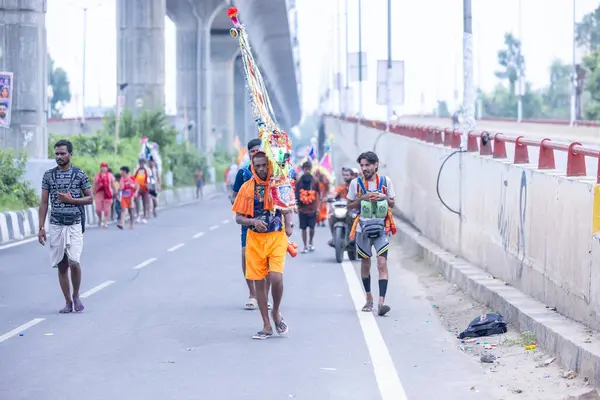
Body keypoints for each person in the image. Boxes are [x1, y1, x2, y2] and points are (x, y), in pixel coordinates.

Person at [232, 151, 293, 339]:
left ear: (269, 165)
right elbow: (238, 218)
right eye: (257, 165)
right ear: (252, 166)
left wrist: (289, 222)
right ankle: (266, 325)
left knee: (276, 278)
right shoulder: (246, 188)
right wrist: (253, 222)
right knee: (259, 282)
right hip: (255, 240)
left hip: (276, 237)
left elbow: (286, 206)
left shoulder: (279, 183)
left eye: (264, 165)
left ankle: (276, 311)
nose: (261, 169)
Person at [38, 139, 93, 313]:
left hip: (74, 224)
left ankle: (76, 295)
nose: (59, 157)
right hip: (55, 225)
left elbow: (90, 198)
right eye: (57, 154)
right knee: (62, 265)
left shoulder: (79, 174)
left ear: (70, 154)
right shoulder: (48, 176)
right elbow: (44, 202)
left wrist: (72, 200)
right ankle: (68, 301)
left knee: (74, 262)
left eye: (62, 153)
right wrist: (41, 228)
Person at [347, 151, 396, 317]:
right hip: (363, 229)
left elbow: (393, 203)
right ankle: (369, 298)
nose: (364, 168)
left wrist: (383, 197)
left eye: (367, 165)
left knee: (382, 263)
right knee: (365, 263)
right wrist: (364, 198)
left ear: (376, 165)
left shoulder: (385, 182)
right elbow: (349, 205)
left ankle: (382, 302)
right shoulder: (356, 183)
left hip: (382, 229)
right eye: (362, 165)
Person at [231, 138, 273, 310]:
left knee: (268, 260)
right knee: (246, 256)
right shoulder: (243, 174)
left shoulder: (272, 173)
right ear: (249, 154)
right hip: (249, 223)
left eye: (259, 150)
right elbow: (234, 196)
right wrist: (244, 207)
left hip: (269, 224)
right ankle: (252, 294)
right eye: (252, 151)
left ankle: (265, 295)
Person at [296, 161, 319, 253]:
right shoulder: (299, 181)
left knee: (312, 227)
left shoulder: (315, 181)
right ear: (303, 169)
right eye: (305, 169)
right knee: (303, 228)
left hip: (312, 208)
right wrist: (296, 206)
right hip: (302, 208)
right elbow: (295, 193)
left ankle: (311, 242)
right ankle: (305, 245)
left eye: (309, 169)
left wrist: (318, 207)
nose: (307, 171)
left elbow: (318, 194)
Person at [327, 167, 355, 247]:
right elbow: (334, 194)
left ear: (352, 176)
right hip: (343, 210)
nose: (345, 177)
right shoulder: (341, 187)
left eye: (347, 175)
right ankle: (334, 237)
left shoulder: (356, 187)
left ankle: (356, 236)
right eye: (344, 175)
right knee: (330, 217)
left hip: (354, 210)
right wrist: (330, 198)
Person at [92, 161, 115, 228]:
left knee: (106, 209)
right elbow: (94, 185)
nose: (104, 168)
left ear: (107, 168)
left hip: (108, 194)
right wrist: (92, 193)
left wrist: (115, 192)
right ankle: (99, 219)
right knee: (98, 209)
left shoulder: (110, 175)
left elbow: (113, 185)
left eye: (105, 167)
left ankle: (105, 222)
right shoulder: (97, 176)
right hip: (99, 193)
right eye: (102, 167)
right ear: (100, 168)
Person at [133, 158, 150, 223]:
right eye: (140, 163)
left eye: (143, 163)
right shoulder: (136, 170)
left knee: (145, 202)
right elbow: (133, 178)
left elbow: (149, 178)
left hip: (145, 188)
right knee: (137, 201)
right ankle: (138, 215)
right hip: (137, 188)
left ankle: (145, 216)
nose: (141, 164)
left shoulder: (147, 170)